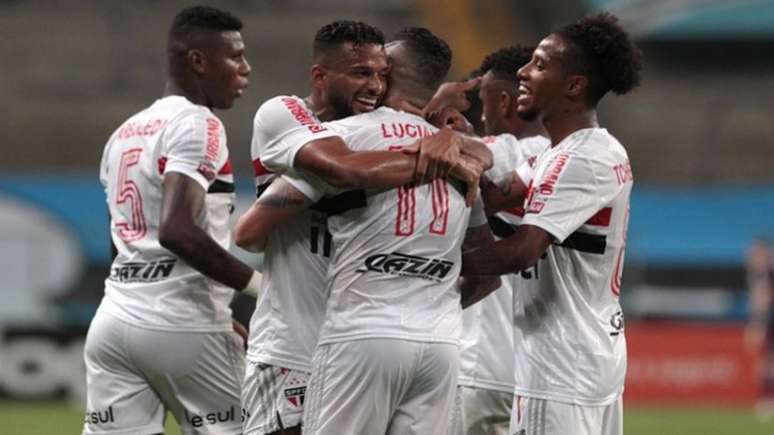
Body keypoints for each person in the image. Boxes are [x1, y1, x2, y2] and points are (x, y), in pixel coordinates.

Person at [236, 27, 498, 435]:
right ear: (321, 76)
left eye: (380, 73)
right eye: (362, 73)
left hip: (346, 339)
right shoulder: (302, 126)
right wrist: (458, 151)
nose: (374, 84)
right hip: (328, 342)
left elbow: (250, 230)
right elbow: (485, 271)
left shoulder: (354, 136)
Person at [460, 12, 642, 435]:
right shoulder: (566, 153)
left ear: (574, 87)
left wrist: (422, 264)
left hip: (560, 365)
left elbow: (520, 251)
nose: (523, 71)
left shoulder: (580, 159)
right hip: (585, 354)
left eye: (540, 65)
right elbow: (495, 195)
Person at [83, 6, 260, 435]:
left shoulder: (124, 133)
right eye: (235, 56)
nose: (246, 68)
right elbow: (178, 230)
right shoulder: (200, 124)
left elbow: (117, 246)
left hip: (114, 322)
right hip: (183, 321)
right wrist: (261, 290)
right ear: (198, 61)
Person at [452, 45, 550, 435]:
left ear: (506, 101)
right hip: (538, 368)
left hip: (482, 361)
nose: (481, 114)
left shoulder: (500, 154)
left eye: (485, 103)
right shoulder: (565, 158)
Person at [744, 237, 774, 421]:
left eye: (756, 252)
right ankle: (766, 400)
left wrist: (757, 325)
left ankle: (766, 400)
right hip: (769, 321)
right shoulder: (757, 274)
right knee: (766, 363)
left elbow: (763, 300)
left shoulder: (768, 273)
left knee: (768, 363)